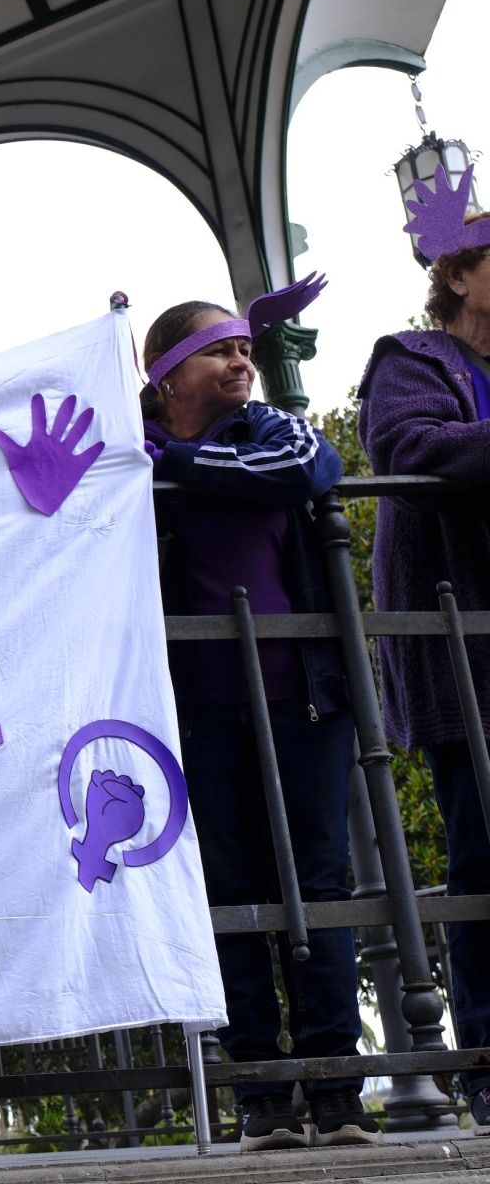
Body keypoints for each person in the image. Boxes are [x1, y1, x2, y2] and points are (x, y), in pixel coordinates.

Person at [141, 281, 380, 1150]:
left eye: (245, 348)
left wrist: (172, 465)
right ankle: (262, 1092)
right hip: (191, 708)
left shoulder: (267, 429)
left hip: (303, 693)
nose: (242, 361)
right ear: (167, 374)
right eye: (220, 350)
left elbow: (303, 471)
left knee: (316, 882)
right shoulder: (132, 450)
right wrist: (161, 461)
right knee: (228, 890)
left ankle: (337, 1086)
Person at [360, 166, 490, 1132]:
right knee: (486, 858)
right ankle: (488, 1061)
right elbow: (409, 450)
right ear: (458, 269)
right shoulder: (409, 357)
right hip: (466, 649)